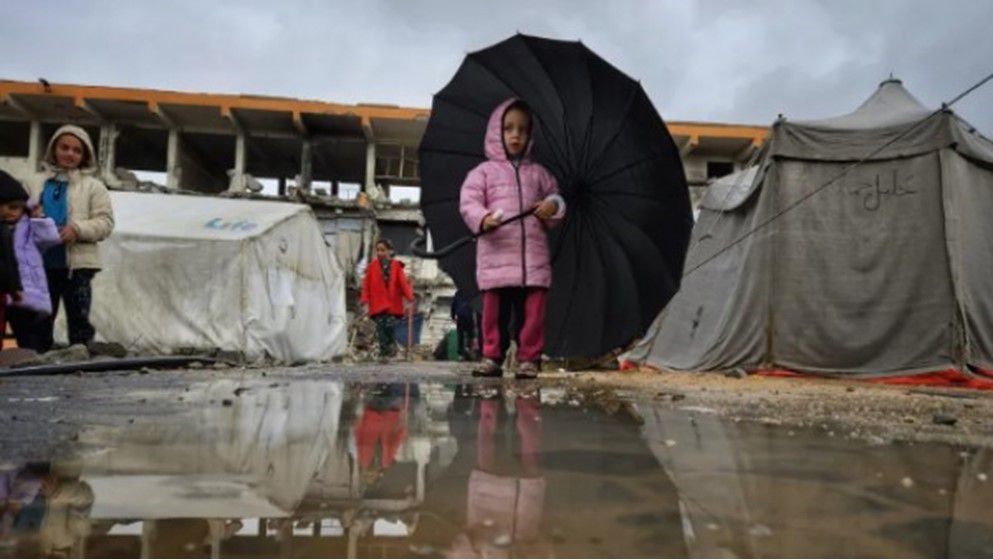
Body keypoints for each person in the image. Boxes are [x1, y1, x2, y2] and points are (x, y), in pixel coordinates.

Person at [459, 99, 566, 379]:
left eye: (522, 129)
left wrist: (552, 207)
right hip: (496, 258)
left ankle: (529, 357)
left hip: (533, 262)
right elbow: (468, 202)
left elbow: (556, 199)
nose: (515, 135)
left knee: (533, 314)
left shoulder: (540, 174)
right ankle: (491, 355)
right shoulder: (483, 172)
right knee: (493, 313)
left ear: (531, 135)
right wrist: (483, 218)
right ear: (497, 132)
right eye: (508, 128)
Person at [26, 125, 114, 352]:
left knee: (79, 318)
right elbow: (15, 213)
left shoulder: (94, 187)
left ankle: (79, 363)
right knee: (39, 319)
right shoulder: (35, 183)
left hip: (77, 266)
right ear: (53, 149)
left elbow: (105, 222)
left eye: (77, 150)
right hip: (41, 263)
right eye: (64, 147)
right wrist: (32, 217)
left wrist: (77, 229)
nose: (70, 154)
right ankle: (36, 363)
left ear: (85, 156)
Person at [0, 171, 60, 352]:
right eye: (3, 207)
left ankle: (38, 360)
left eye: (14, 207)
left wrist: (38, 218)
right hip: (6, 295)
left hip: (31, 294)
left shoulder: (28, 227)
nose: (9, 212)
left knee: (34, 338)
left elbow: (51, 238)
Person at [360, 238, 414, 361]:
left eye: (382, 250)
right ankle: (384, 354)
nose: (380, 253)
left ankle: (390, 349)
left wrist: (409, 297)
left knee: (389, 327)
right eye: (378, 250)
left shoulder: (396, 266)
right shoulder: (372, 267)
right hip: (377, 303)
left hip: (392, 304)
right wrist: (364, 300)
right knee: (381, 328)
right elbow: (366, 285)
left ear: (389, 251)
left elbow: (403, 283)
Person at [450, 290, 481, 361]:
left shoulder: (458, 293)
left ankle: (463, 353)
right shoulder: (470, 293)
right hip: (468, 316)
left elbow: (453, 305)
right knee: (469, 335)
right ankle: (467, 350)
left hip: (462, 316)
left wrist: (453, 316)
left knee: (462, 336)